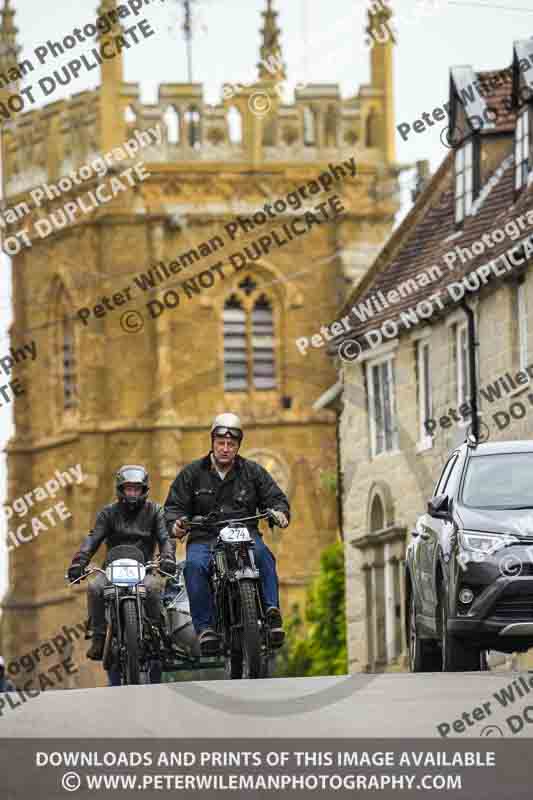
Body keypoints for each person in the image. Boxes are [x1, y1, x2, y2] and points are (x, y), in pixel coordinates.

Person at [163, 413, 290, 656]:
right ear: (212, 443)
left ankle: (272, 613)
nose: (225, 448)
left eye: (231, 444)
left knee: (264, 556)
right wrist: (176, 524)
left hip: (245, 534)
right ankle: (206, 628)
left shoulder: (253, 472)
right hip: (205, 536)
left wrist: (280, 513)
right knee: (193, 566)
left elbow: (276, 499)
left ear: (238, 446)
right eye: (220, 443)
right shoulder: (192, 474)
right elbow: (173, 507)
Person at [67, 465, 176, 661]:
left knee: (153, 588)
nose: (133, 493)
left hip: (144, 569)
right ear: (120, 489)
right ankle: (99, 637)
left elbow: (164, 538)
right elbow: (92, 539)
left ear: (143, 490)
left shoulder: (155, 511)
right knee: (94, 587)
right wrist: (79, 562)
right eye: (128, 488)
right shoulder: (107, 513)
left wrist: (168, 558)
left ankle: (158, 631)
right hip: (112, 570)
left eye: (136, 489)